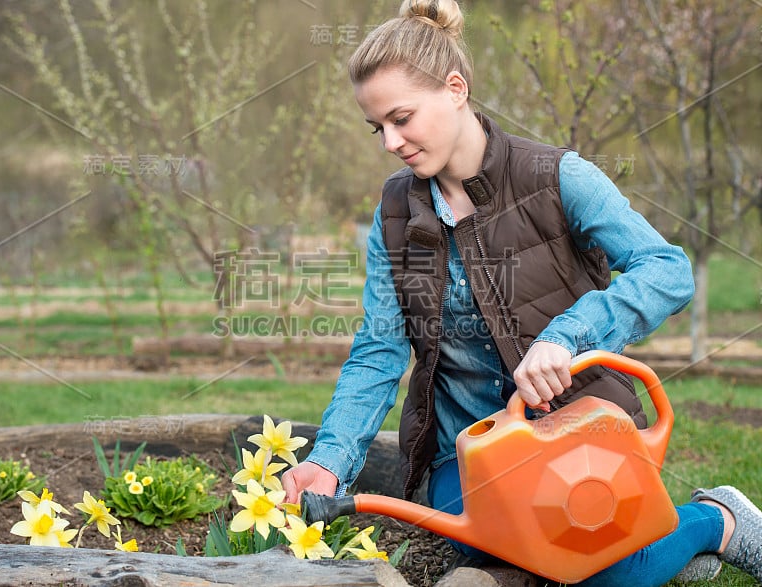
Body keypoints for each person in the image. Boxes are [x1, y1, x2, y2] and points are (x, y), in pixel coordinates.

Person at [282, 1, 762, 585]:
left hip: (575, 430)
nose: (389, 141)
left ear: (455, 89)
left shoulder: (556, 177)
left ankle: (714, 519)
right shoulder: (394, 214)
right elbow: (379, 352)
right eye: (377, 126)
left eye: (401, 118)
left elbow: (666, 269)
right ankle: (657, 549)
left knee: (601, 571)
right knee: (514, 550)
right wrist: (329, 463)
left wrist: (567, 336)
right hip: (468, 453)